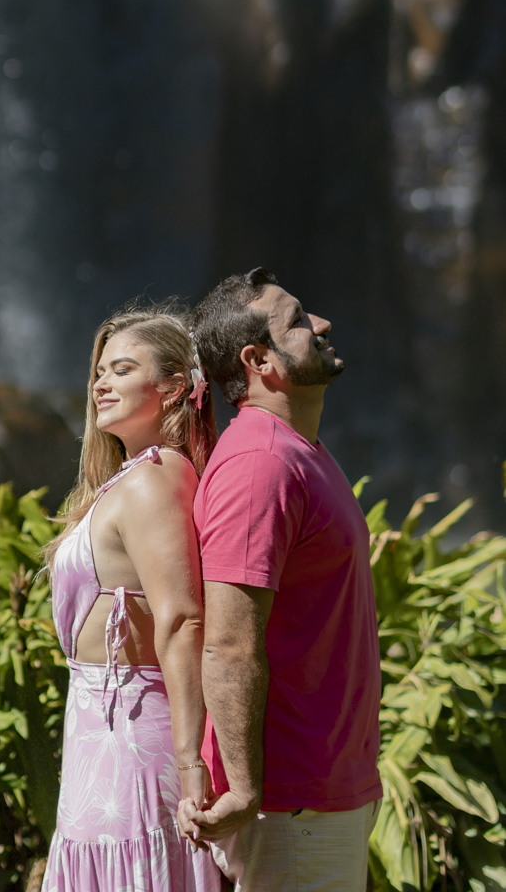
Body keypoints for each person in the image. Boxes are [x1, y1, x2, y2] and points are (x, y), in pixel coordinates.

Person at [178, 267, 381, 892]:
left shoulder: (299, 450)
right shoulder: (261, 465)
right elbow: (229, 640)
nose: (321, 325)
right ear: (258, 360)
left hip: (322, 791)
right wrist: (244, 786)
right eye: (298, 321)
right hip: (291, 804)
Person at [43, 305, 224, 892]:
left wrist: (191, 761)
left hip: (134, 729)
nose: (101, 384)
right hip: (104, 725)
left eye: (122, 370)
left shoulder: (153, 479)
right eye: (99, 371)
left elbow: (181, 618)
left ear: (173, 387)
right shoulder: (130, 478)